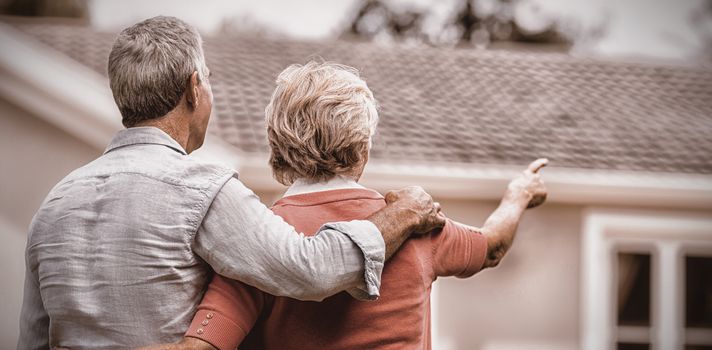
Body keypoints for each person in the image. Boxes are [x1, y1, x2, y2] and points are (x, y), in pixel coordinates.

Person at [17, 17, 445, 350]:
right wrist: (400, 216)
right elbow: (313, 269)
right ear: (194, 88)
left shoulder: (55, 204)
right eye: (209, 79)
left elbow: (34, 341)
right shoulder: (201, 189)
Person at [148, 61, 548, 350]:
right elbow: (492, 245)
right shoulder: (418, 224)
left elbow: (208, 342)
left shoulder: (257, 242)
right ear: (363, 146)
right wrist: (520, 193)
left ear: (277, 148)